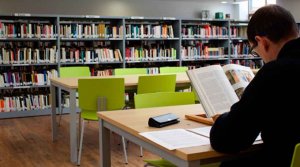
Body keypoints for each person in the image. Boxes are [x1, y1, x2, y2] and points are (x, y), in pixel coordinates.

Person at [210, 5, 300, 167]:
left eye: (255, 51)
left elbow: (228, 140)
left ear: (262, 42)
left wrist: (222, 119)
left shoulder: (275, 73)